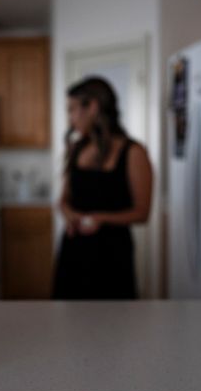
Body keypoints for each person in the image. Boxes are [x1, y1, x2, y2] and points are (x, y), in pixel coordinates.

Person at [53, 77, 153, 300]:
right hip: (73, 251)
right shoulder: (77, 148)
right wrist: (69, 215)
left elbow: (142, 213)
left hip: (112, 255)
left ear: (93, 107)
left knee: (113, 328)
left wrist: (100, 218)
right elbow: (63, 199)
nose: (70, 119)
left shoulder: (134, 152)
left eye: (72, 110)